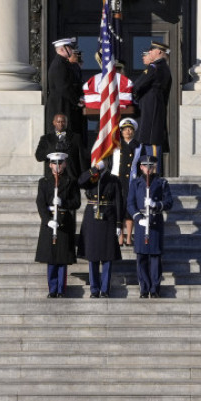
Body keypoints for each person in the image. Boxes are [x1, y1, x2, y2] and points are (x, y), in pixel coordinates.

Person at [127, 153, 173, 298]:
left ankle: (154, 289)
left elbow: (169, 202)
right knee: (141, 257)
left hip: (155, 221)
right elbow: (130, 203)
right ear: (141, 167)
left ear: (154, 167)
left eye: (151, 166)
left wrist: (156, 205)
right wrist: (138, 217)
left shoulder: (162, 183)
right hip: (141, 223)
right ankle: (144, 288)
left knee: (155, 257)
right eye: (145, 166)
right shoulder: (135, 183)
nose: (148, 168)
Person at [34, 152, 80, 298]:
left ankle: (61, 289)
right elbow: (40, 203)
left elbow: (76, 202)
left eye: (60, 163)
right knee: (51, 258)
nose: (57, 166)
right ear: (50, 165)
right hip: (49, 222)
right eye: (55, 163)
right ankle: (52, 289)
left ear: (65, 164)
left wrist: (63, 202)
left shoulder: (71, 181)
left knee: (62, 258)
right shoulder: (44, 181)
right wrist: (47, 220)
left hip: (64, 220)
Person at [76, 159, 123, 298]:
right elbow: (80, 182)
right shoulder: (91, 178)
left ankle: (105, 289)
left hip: (108, 217)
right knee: (93, 256)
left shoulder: (113, 180)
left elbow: (119, 202)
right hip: (92, 217)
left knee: (107, 256)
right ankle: (94, 289)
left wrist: (119, 223)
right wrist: (94, 170)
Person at [133, 41, 172, 167]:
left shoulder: (155, 67)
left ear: (159, 52)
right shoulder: (165, 69)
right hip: (156, 109)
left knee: (152, 143)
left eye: (152, 50)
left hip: (151, 111)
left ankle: (152, 178)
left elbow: (138, 85)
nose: (149, 52)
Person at [44, 38, 83, 134]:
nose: (71, 50)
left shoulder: (63, 63)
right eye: (69, 48)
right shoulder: (59, 65)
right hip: (60, 105)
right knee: (61, 134)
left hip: (64, 104)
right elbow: (63, 87)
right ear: (62, 50)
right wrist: (77, 101)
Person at [34, 113, 86, 180]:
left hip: (71, 177)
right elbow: (38, 156)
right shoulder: (46, 138)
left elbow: (82, 159)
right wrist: (53, 149)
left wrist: (83, 176)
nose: (61, 124)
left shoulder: (76, 138)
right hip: (52, 177)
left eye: (63, 122)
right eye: (58, 122)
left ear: (67, 123)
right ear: (54, 123)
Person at [116, 118, 142, 245]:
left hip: (131, 181)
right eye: (125, 129)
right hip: (117, 180)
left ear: (134, 131)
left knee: (130, 209)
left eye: (130, 129)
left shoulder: (138, 146)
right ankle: (120, 237)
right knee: (119, 209)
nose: (127, 131)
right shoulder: (115, 145)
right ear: (121, 131)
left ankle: (129, 236)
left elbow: (141, 165)